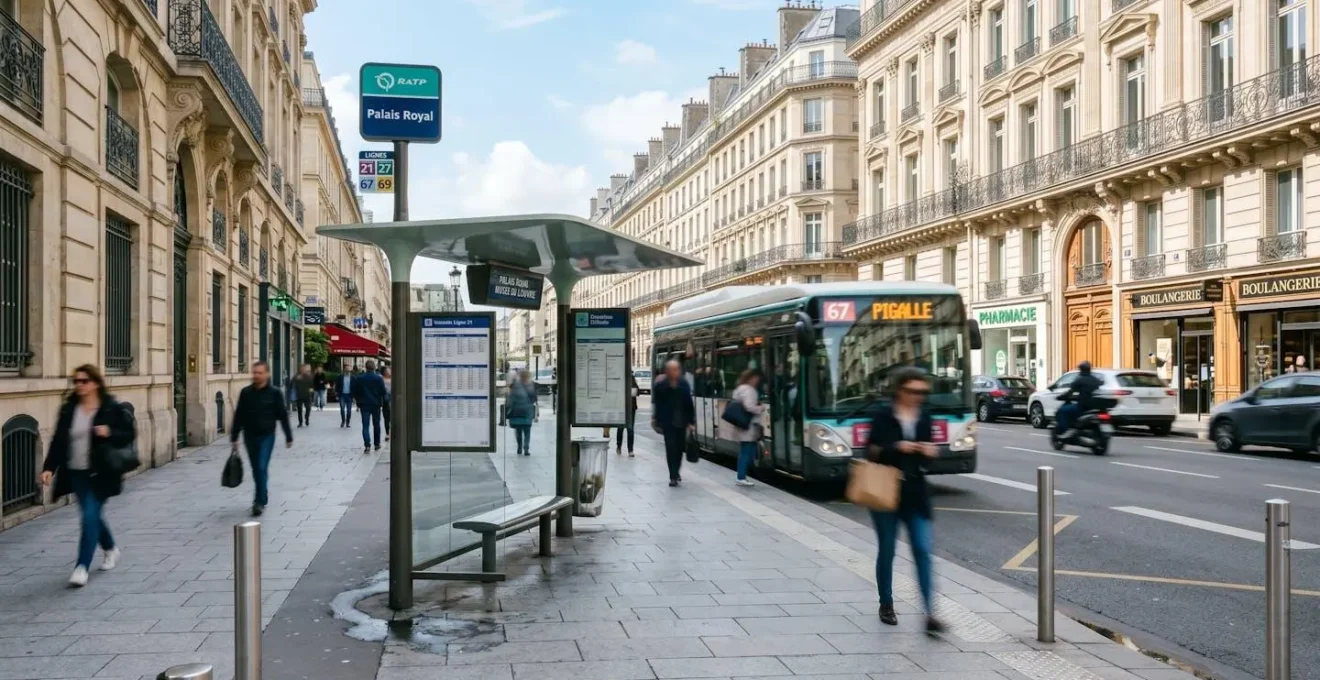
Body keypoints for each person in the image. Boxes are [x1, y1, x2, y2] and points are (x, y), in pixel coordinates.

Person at [40, 365, 136, 587]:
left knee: (90, 515)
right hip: (76, 472)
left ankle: (81, 567)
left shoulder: (110, 408)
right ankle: (111, 548)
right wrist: (49, 467)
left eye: (84, 381)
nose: (79, 385)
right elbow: (58, 440)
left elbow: (128, 433)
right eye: (77, 381)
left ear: (95, 383)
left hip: (101, 472)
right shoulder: (69, 409)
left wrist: (109, 432)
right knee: (92, 514)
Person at [866, 367, 944, 632]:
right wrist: (896, 447)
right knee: (887, 548)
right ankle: (886, 603)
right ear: (900, 390)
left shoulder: (925, 417)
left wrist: (930, 451)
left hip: (915, 493)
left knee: (923, 549)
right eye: (913, 391)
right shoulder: (882, 416)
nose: (918, 396)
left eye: (922, 392)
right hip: (886, 491)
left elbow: (928, 451)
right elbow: (871, 451)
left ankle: (930, 612)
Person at [231, 361, 294, 516]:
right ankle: (263, 494)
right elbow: (239, 415)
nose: (256, 375)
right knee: (256, 468)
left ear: (267, 374)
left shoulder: (275, 393)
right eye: (255, 372)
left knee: (260, 466)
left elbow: (282, 415)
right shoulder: (246, 393)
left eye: (259, 373)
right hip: (249, 435)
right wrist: (234, 436)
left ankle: (258, 502)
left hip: (267, 436)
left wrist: (288, 436)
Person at [652, 359, 696, 487]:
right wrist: (655, 418)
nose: (674, 372)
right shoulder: (662, 385)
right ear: (667, 371)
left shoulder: (683, 383)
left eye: (676, 369)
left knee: (679, 449)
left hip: (681, 422)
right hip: (668, 423)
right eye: (671, 370)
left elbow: (689, 403)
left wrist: (691, 421)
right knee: (670, 449)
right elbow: (658, 403)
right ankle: (673, 475)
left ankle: (676, 471)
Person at [720, 369, 766, 487]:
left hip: (742, 424)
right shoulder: (749, 390)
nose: (757, 381)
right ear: (751, 378)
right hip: (748, 425)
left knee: (746, 450)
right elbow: (749, 407)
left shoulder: (740, 388)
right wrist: (760, 408)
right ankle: (741, 477)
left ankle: (742, 476)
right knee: (747, 451)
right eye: (756, 378)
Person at [1055, 361, 1103, 438]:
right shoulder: (1095, 380)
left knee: (1063, 410)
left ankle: (1063, 431)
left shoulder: (1079, 379)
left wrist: (1061, 396)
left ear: (1081, 370)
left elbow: (1070, 392)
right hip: (1093, 407)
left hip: (1082, 407)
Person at [352, 360, 388, 453]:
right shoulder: (379, 378)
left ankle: (367, 445)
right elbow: (383, 392)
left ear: (365, 367)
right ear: (374, 367)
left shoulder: (360, 378)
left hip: (364, 404)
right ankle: (377, 444)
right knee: (376, 425)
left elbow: (355, 391)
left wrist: (358, 401)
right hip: (375, 404)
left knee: (365, 425)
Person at [507, 369, 538, 456]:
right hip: (527, 412)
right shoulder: (531, 385)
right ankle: (526, 448)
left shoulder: (515, 385)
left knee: (519, 431)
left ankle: (520, 447)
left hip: (517, 412)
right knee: (527, 432)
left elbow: (511, 398)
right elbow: (534, 399)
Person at [616, 374, 640, 457]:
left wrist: (632, 390)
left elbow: (637, 391)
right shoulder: (619, 377)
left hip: (631, 408)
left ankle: (630, 450)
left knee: (630, 429)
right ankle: (619, 446)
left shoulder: (631, 377)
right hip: (621, 407)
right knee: (620, 428)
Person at [381, 367, 392, 442]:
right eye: (388, 370)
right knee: (386, 418)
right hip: (385, 402)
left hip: (392, 401)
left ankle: (391, 433)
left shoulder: (394, 379)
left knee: (392, 418)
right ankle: (387, 433)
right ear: (384, 372)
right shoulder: (381, 380)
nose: (389, 371)